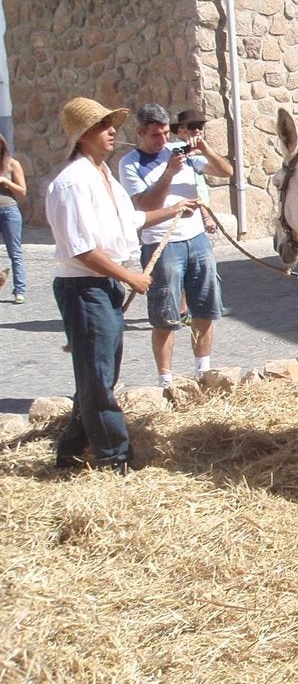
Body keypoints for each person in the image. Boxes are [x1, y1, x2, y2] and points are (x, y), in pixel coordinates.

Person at [47, 98, 193, 472]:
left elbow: (132, 220)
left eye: (110, 123)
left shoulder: (104, 176)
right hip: (84, 288)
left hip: (103, 285)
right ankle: (115, 457)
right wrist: (129, 276)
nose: (112, 130)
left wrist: (174, 210)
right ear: (83, 135)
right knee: (98, 377)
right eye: (102, 125)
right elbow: (81, 249)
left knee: (98, 373)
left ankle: (70, 452)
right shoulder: (72, 183)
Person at [119, 104, 234, 387]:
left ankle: (203, 371)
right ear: (140, 133)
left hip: (197, 239)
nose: (162, 141)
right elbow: (145, 206)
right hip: (162, 243)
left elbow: (226, 171)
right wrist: (169, 173)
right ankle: (166, 381)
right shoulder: (130, 163)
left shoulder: (179, 150)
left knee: (205, 309)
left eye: (165, 134)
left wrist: (204, 149)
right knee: (165, 317)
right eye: (155, 136)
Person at [0, 134, 28, 304]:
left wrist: (5, 181)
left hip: (9, 211)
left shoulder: (12, 164)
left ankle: (19, 290)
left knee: (15, 252)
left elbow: (22, 191)